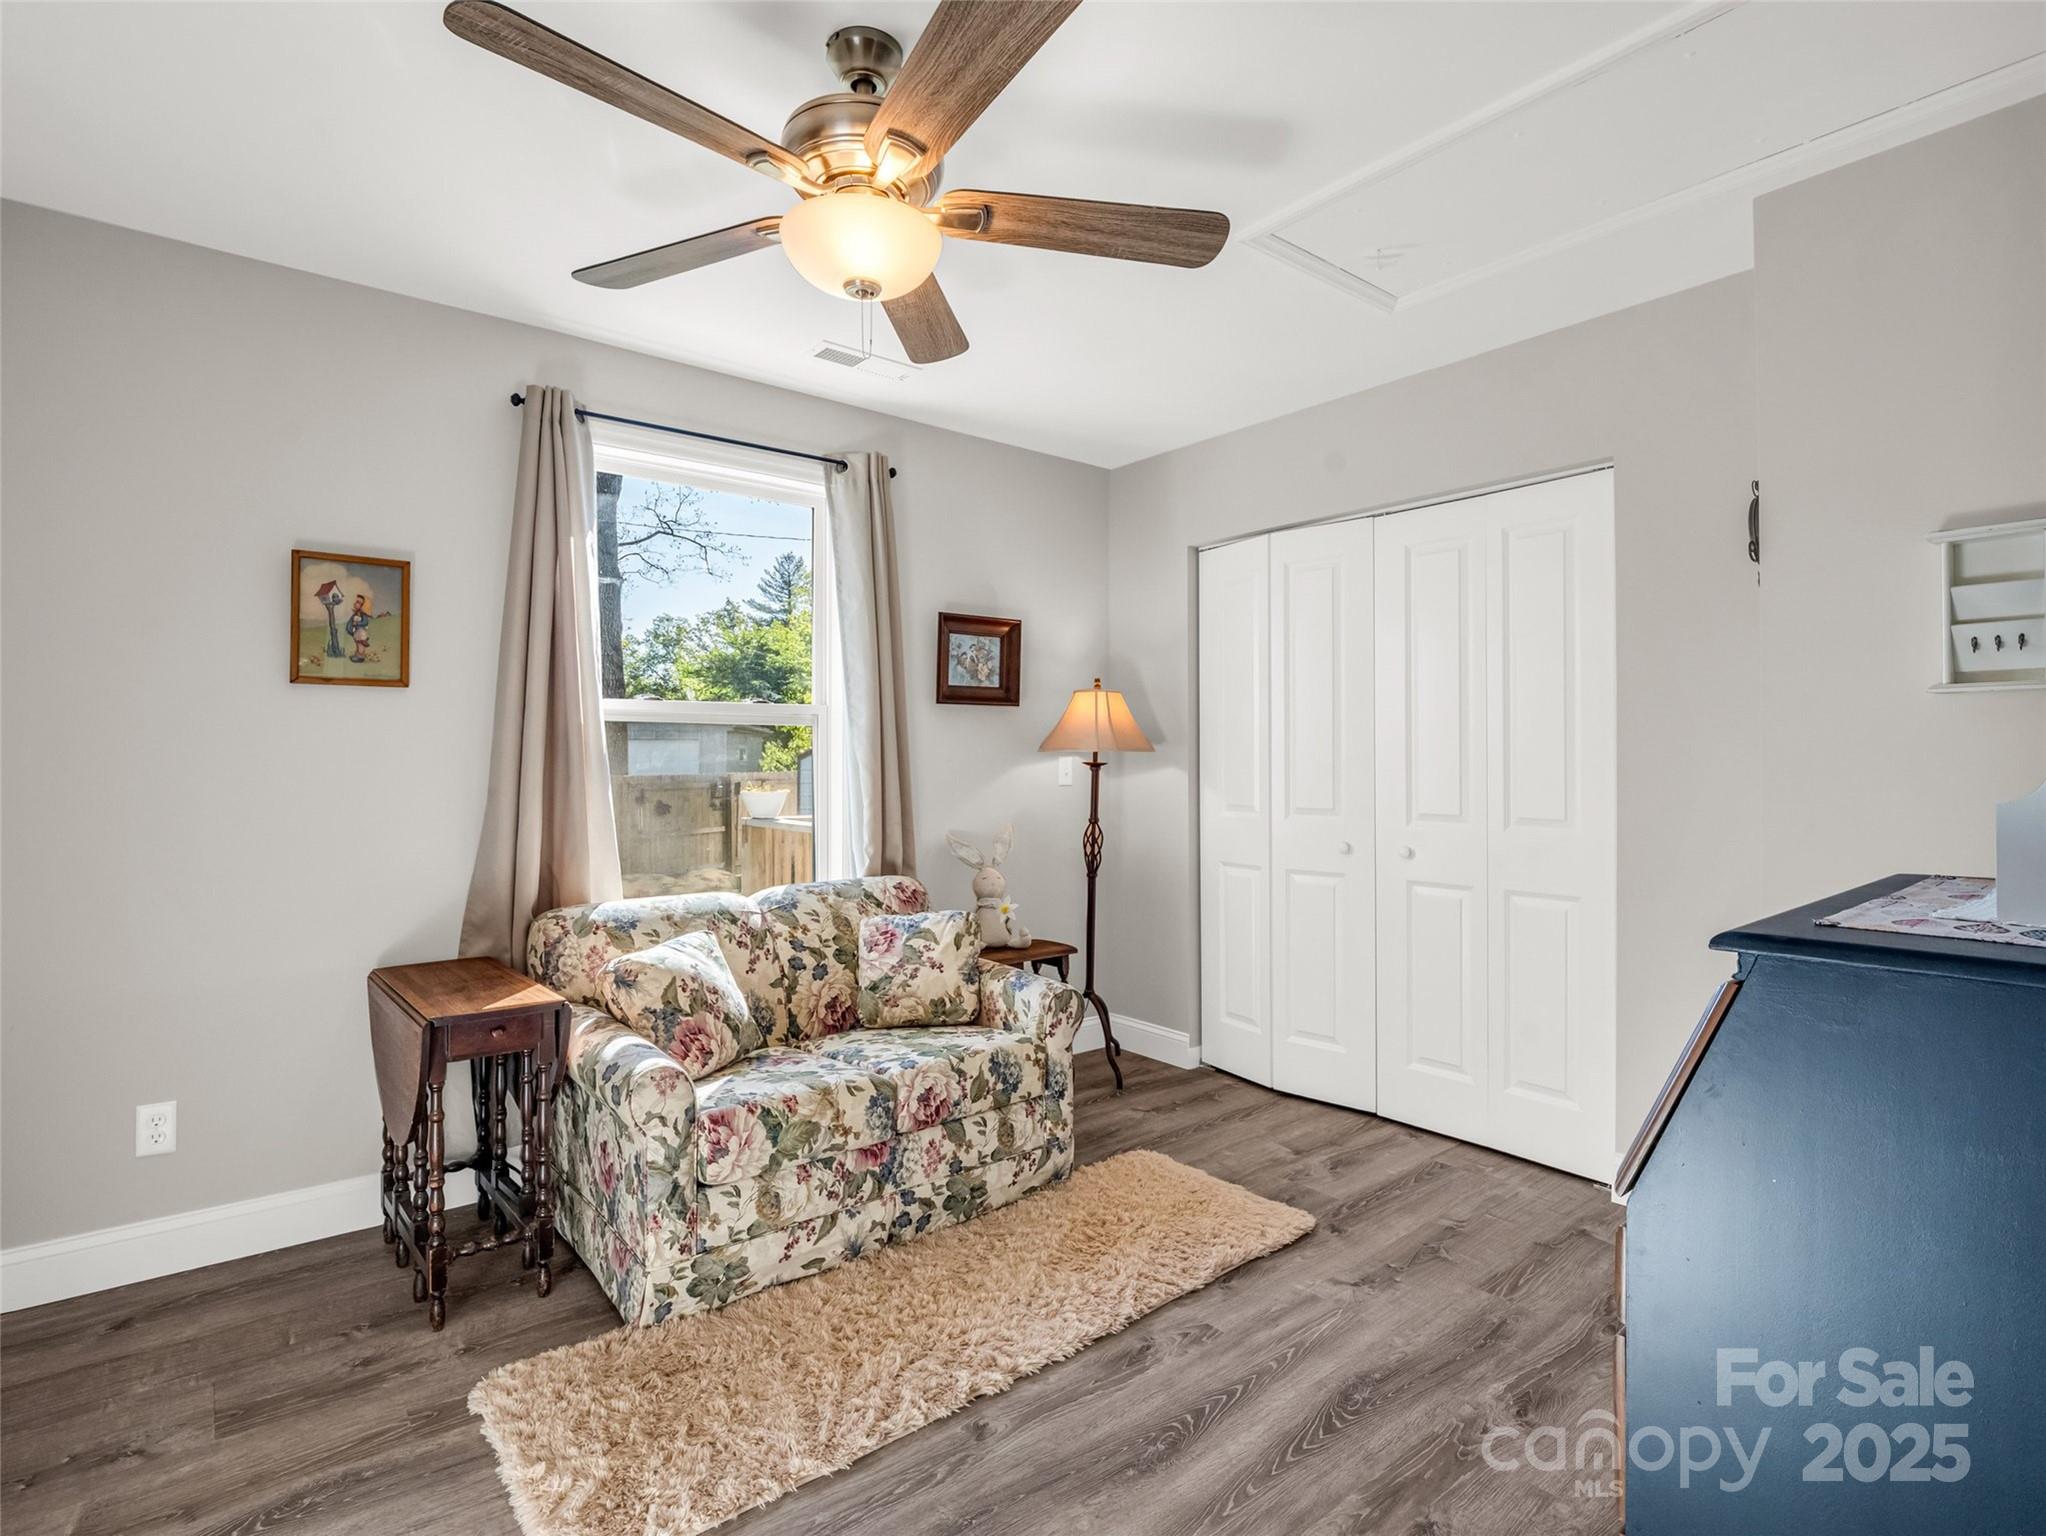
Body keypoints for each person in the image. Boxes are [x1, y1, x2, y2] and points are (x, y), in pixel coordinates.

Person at [346, 592, 373, 663]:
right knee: (357, 644)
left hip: (361, 633)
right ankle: (357, 655)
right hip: (356, 632)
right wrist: (349, 628)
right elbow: (351, 622)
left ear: (363, 606)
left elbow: (365, 622)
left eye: (358, 602)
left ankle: (360, 657)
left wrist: (357, 623)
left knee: (360, 644)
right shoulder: (356, 613)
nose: (355, 603)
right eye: (356, 601)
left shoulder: (363, 614)